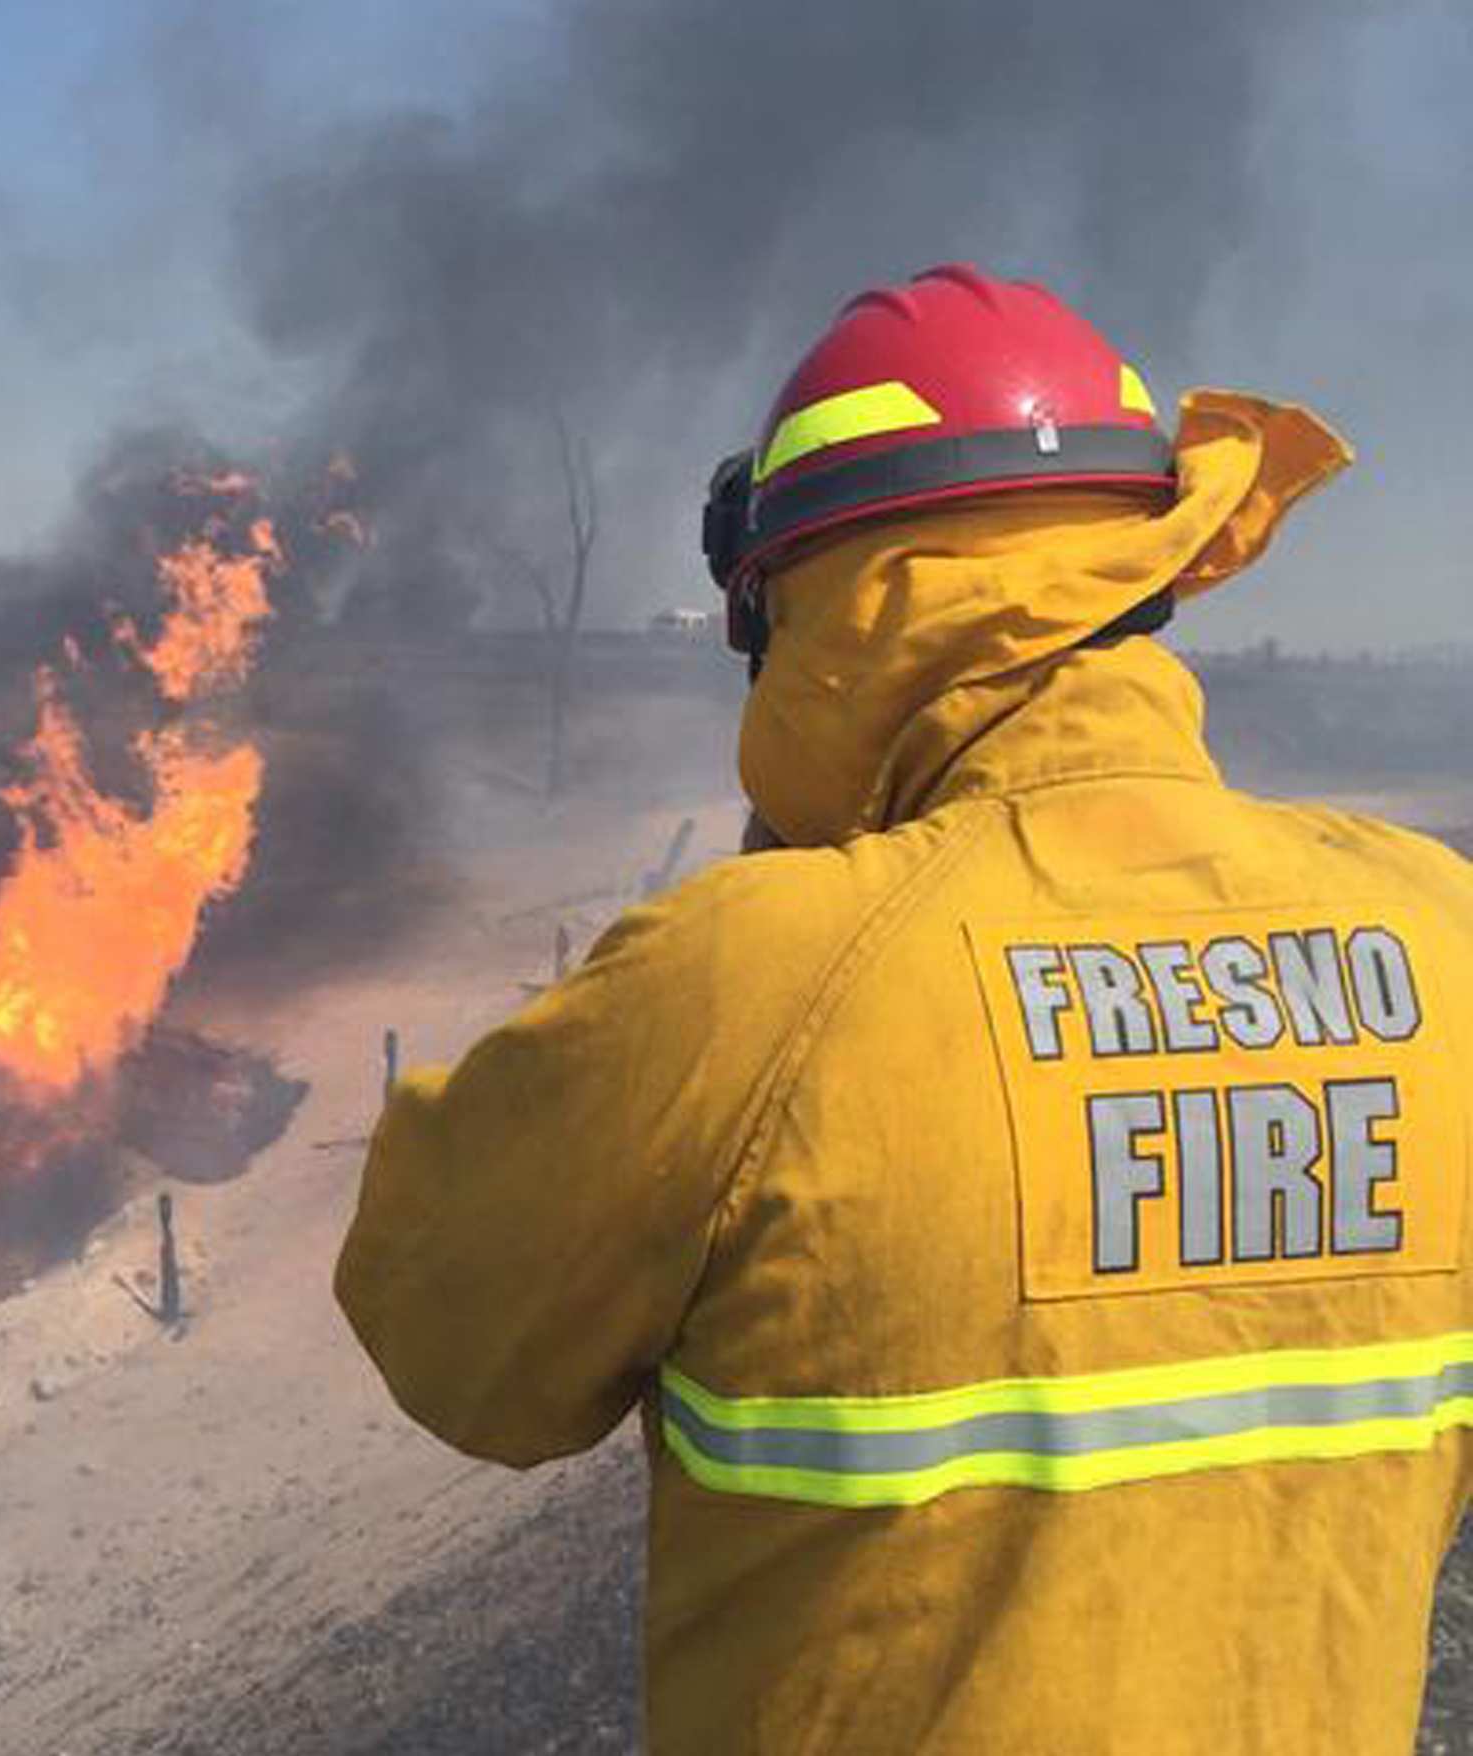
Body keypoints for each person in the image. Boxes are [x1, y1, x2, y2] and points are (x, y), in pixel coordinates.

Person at [334, 263, 1473, 1753]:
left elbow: (449, 1336)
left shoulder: (754, 978)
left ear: (824, 616)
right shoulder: (1441, 932)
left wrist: (758, 924)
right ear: (1142, 574)